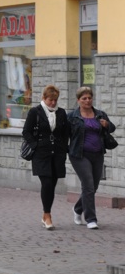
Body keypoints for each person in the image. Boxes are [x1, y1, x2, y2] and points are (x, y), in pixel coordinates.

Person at [67, 86, 116, 230]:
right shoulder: (72, 116)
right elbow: (63, 134)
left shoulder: (100, 114)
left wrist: (107, 124)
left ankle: (77, 209)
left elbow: (112, 128)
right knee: (88, 184)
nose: (87, 101)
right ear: (78, 100)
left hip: (97, 154)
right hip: (79, 155)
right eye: (84, 98)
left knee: (93, 187)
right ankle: (91, 219)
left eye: (89, 98)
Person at [22, 84, 69, 230]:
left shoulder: (61, 113)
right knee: (47, 183)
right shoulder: (35, 112)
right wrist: (35, 145)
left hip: (57, 154)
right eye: (50, 100)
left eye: (55, 100)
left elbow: (65, 132)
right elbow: (26, 132)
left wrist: (64, 147)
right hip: (41, 154)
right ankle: (47, 214)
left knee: (52, 185)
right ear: (44, 98)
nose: (53, 103)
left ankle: (45, 214)